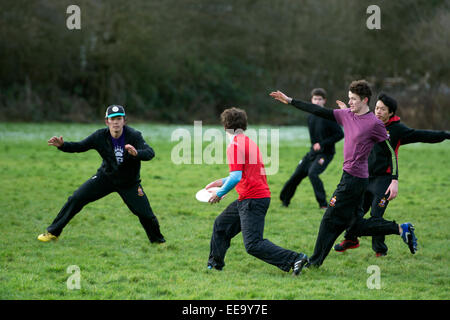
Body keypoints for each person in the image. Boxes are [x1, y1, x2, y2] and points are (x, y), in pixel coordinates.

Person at [269, 80, 418, 271]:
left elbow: (391, 152)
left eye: (354, 99)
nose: (350, 103)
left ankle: (314, 262)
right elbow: (319, 111)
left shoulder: (374, 123)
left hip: (354, 181)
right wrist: (290, 100)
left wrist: (394, 180)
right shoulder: (346, 114)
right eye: (349, 99)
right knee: (354, 226)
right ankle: (400, 229)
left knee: (329, 219)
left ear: (365, 100)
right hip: (350, 177)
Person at [334, 93, 450, 256]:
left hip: (384, 180)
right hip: (365, 177)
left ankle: (380, 250)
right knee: (355, 210)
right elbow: (354, 122)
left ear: (391, 113)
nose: (378, 112)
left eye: (383, 109)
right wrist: (347, 111)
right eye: (377, 108)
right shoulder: (369, 123)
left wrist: (446, 135)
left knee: (376, 215)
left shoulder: (398, 130)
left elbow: (423, 135)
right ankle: (351, 239)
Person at [37, 105, 166, 245]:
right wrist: (63, 146)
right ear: (107, 122)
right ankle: (53, 233)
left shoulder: (134, 136)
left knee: (145, 214)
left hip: (129, 183)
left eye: (119, 119)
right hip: (106, 178)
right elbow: (80, 146)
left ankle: (158, 242)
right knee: (76, 198)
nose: (115, 122)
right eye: (112, 119)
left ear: (124, 121)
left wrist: (137, 153)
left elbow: (150, 153)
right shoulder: (99, 136)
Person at [205, 107, 309, 276]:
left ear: (225, 127)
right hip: (249, 197)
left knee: (253, 244)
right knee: (221, 225)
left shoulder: (234, 146)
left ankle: (295, 258)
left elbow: (236, 177)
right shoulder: (248, 142)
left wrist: (219, 192)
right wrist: (221, 182)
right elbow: (242, 174)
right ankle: (215, 265)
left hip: (253, 200)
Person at [280, 88, 343, 209]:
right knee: (297, 174)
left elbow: (340, 134)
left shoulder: (329, 117)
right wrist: (315, 147)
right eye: (315, 99)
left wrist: (323, 144)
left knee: (312, 174)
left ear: (324, 101)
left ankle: (323, 205)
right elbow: (314, 139)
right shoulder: (310, 117)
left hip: (326, 154)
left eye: (320, 99)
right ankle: (284, 200)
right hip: (313, 153)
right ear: (311, 100)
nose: (317, 101)